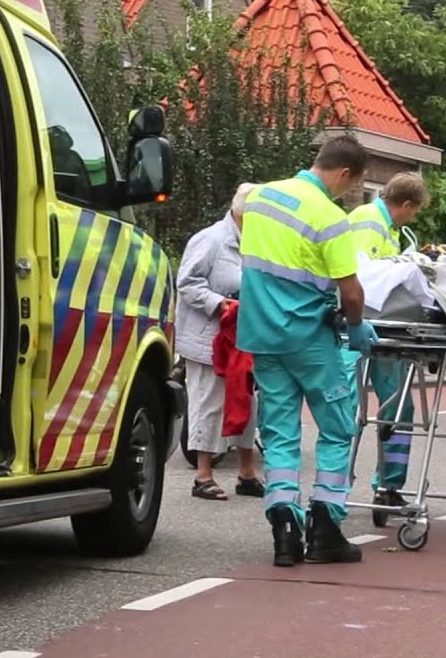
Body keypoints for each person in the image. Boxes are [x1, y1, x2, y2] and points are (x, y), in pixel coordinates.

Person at [236, 136, 379, 567]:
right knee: (337, 429)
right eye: (350, 186)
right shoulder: (330, 217)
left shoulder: (259, 198)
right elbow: (351, 293)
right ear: (345, 174)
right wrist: (356, 327)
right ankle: (325, 527)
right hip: (310, 340)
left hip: (262, 336)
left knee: (280, 433)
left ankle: (283, 528)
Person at [346, 172, 429, 508]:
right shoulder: (368, 223)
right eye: (414, 211)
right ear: (406, 205)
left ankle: (388, 485)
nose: (412, 218)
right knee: (350, 408)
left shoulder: (384, 226)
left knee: (398, 404)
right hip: (360, 325)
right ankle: (338, 487)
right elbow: (364, 276)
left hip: (381, 328)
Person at [175, 183, 263, 501]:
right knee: (208, 401)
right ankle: (203, 475)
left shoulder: (255, 242)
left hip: (242, 338)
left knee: (246, 402)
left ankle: (247, 472)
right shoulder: (211, 239)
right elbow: (186, 282)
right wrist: (219, 303)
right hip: (207, 337)